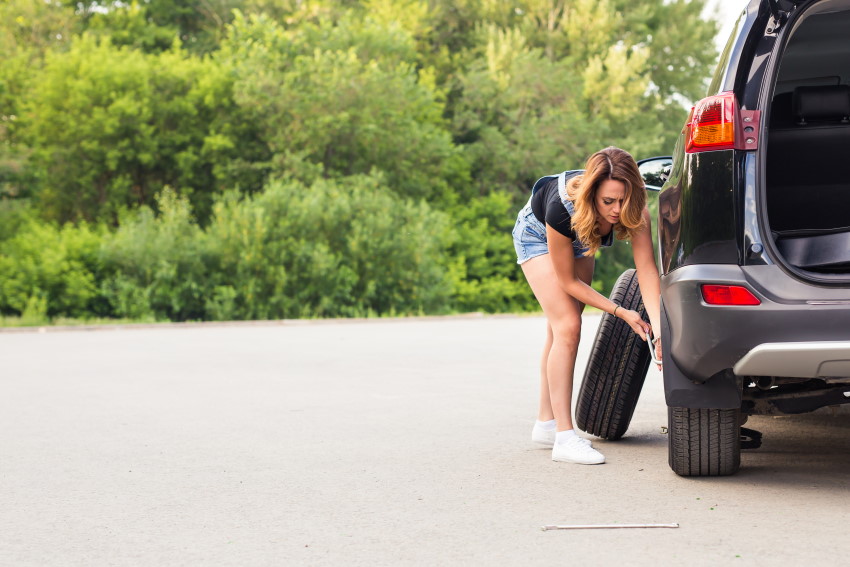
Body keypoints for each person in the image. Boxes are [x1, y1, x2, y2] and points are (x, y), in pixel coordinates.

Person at [511, 146, 662, 465]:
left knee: (561, 328)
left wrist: (659, 332)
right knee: (568, 326)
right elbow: (568, 283)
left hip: (581, 237)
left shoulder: (632, 207)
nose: (618, 210)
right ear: (593, 193)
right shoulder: (560, 208)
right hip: (538, 235)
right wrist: (621, 311)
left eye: (624, 200)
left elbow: (647, 269)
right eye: (609, 201)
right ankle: (564, 439)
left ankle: (545, 424)